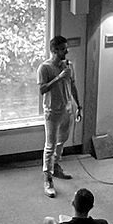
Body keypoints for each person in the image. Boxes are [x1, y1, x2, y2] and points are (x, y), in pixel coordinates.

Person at [39, 34, 81, 198]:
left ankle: (56, 166)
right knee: (50, 145)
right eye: (63, 49)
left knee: (61, 141)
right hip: (52, 111)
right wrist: (59, 77)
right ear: (54, 50)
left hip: (67, 109)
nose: (67, 51)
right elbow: (42, 89)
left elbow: (73, 86)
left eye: (66, 48)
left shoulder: (69, 66)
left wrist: (78, 105)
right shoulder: (45, 68)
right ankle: (47, 178)